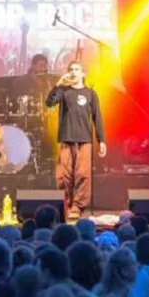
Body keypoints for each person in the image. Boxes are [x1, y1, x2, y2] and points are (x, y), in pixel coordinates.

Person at [46, 61, 106, 220]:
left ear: (83, 73)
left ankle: (78, 206)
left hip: (84, 140)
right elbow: (49, 102)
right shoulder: (64, 92)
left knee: (82, 174)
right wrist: (58, 84)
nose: (73, 72)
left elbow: (97, 117)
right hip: (66, 138)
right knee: (64, 175)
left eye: (76, 69)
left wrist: (101, 140)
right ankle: (67, 203)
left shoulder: (91, 94)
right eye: (70, 69)